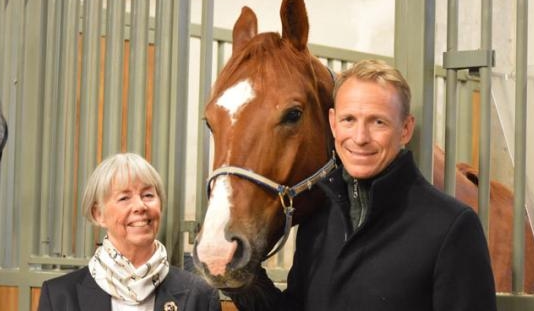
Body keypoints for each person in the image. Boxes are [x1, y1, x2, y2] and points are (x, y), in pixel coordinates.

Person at [225, 59, 497, 310]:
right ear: (333, 124)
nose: (360, 137)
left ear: (405, 129)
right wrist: (244, 280)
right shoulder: (317, 221)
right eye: (349, 120)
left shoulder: (451, 226)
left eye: (378, 122)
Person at [38, 153, 221, 311]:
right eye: (124, 198)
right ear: (98, 214)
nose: (140, 206)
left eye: (148, 195)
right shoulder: (59, 296)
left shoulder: (200, 295)